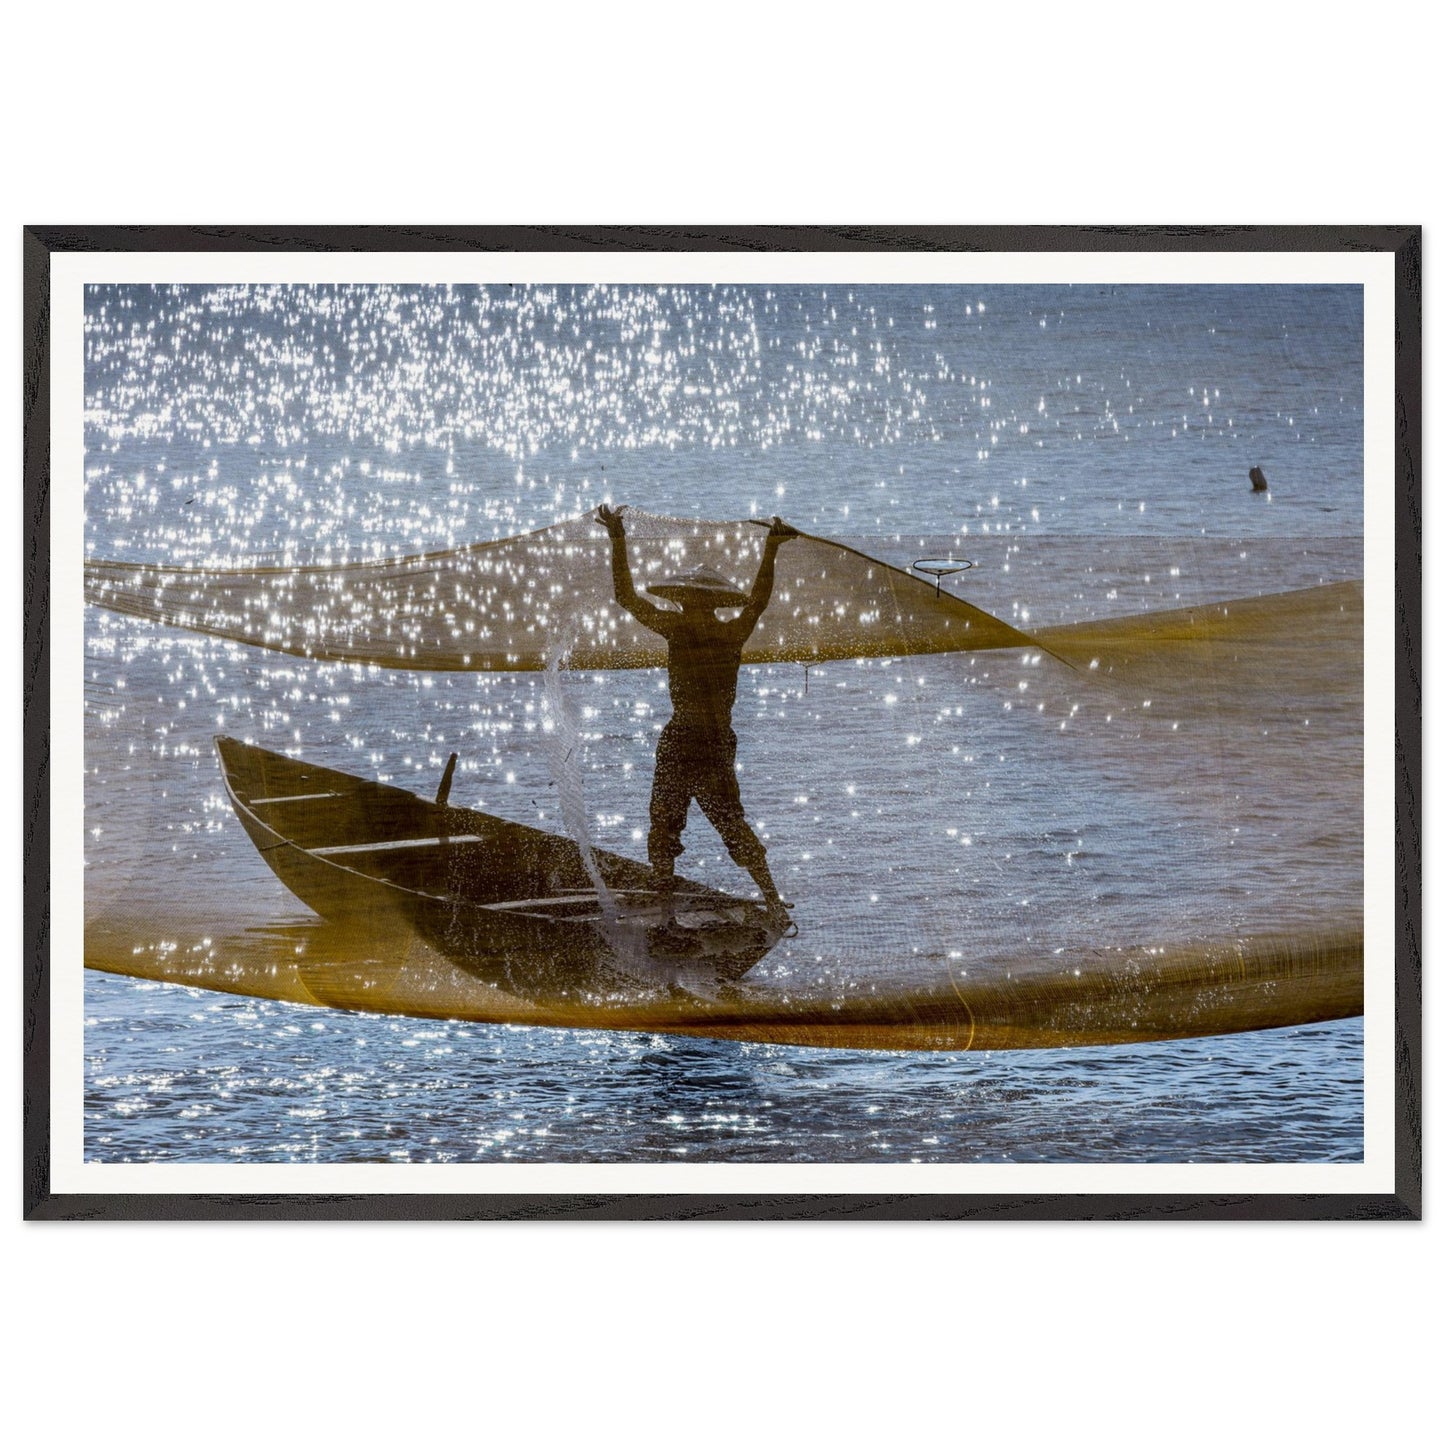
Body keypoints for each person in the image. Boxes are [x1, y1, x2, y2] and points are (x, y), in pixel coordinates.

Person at [595, 504, 797, 926]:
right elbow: (758, 601)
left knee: (665, 830)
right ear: (716, 604)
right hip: (712, 742)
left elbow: (626, 597)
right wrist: (771, 548)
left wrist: (618, 537)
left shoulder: (678, 629)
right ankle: (772, 900)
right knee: (729, 825)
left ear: (684, 601)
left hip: (685, 740)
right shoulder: (730, 633)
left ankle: (668, 917)